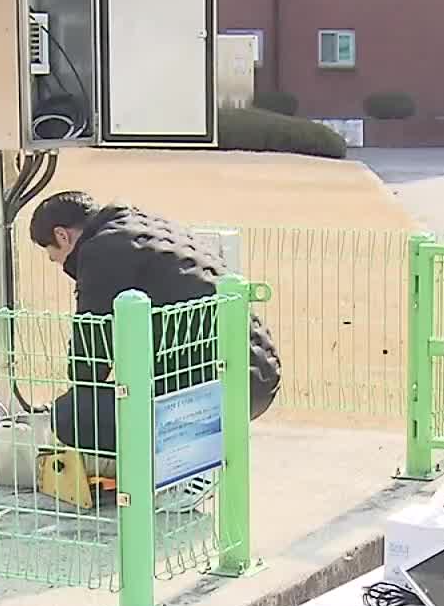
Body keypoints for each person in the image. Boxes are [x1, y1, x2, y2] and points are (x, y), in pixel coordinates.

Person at [27, 191, 282, 466]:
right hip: (256, 378)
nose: (62, 266)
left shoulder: (100, 251)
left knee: (71, 415)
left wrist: (71, 400)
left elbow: (89, 360)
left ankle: (156, 478)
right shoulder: (146, 226)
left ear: (62, 236)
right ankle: (184, 468)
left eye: (55, 257)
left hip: (211, 395)